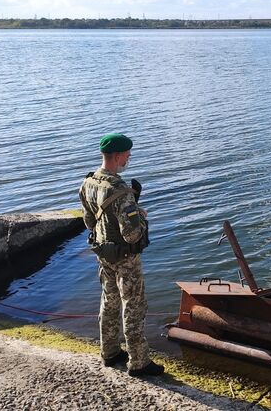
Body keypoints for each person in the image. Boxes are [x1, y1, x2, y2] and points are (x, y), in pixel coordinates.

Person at [79, 133, 163, 377]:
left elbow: (89, 222)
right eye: (127, 154)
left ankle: (110, 352)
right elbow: (132, 235)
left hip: (103, 253)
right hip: (126, 258)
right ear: (117, 156)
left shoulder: (88, 183)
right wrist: (141, 218)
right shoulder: (120, 190)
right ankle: (139, 362)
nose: (129, 158)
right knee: (134, 306)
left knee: (109, 301)